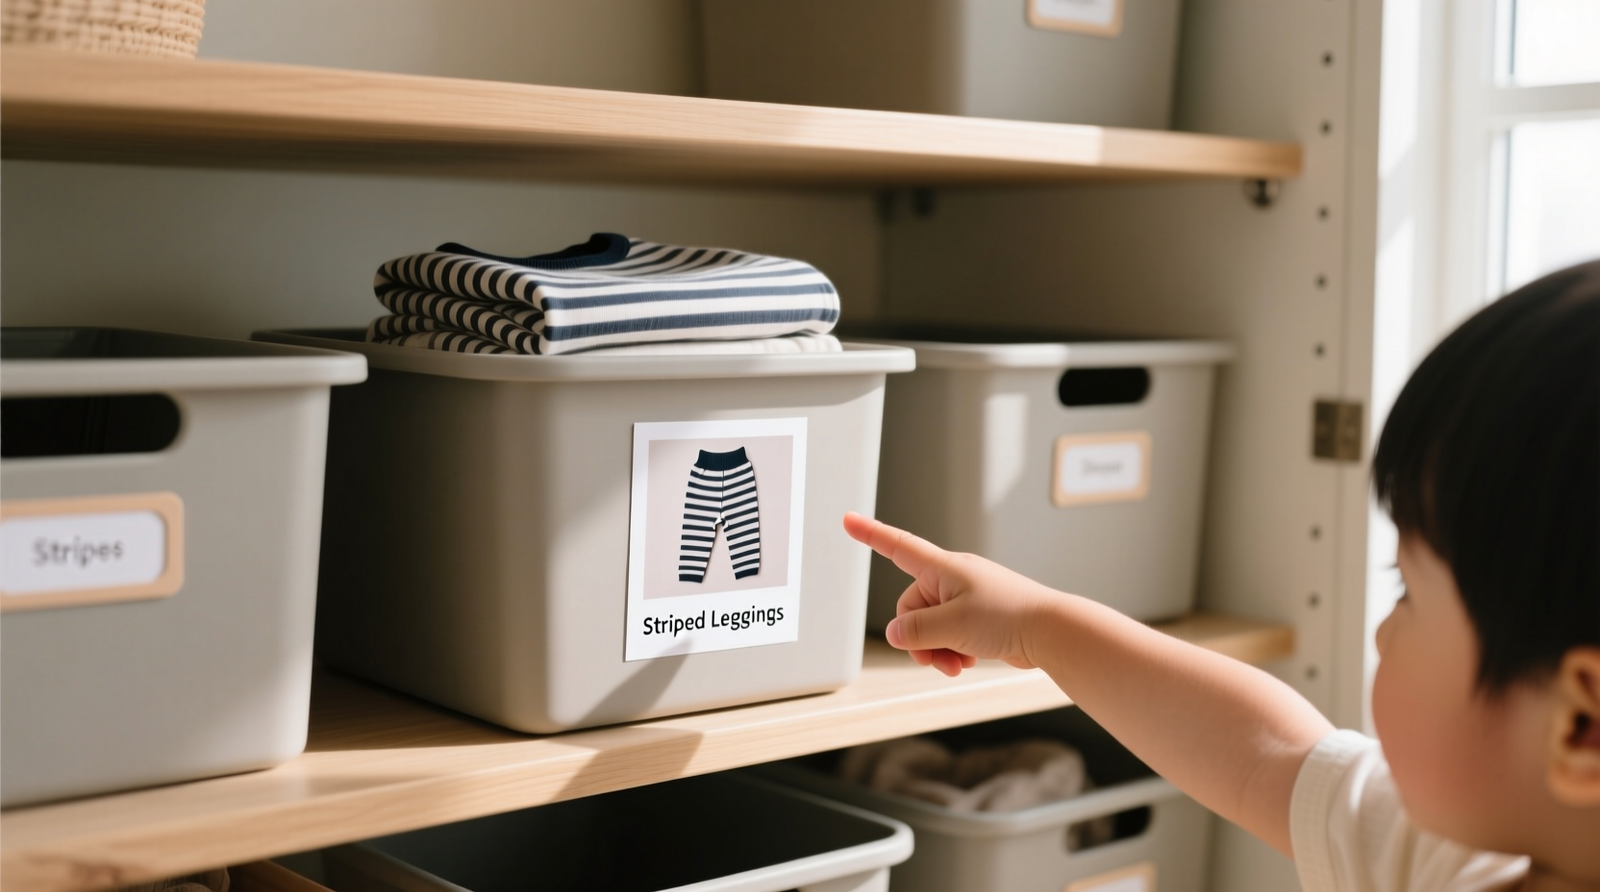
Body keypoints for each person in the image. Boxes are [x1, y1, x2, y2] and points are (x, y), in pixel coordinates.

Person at [843, 260, 1600, 892]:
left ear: (1580, 726)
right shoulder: (1446, 855)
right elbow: (1263, 751)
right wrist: (1036, 625)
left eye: (1408, 592)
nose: (1381, 628)